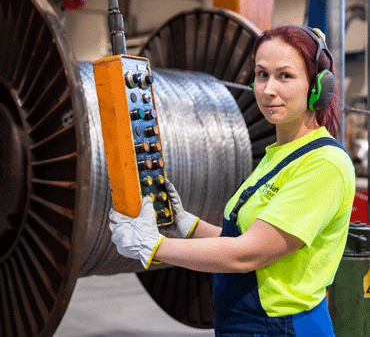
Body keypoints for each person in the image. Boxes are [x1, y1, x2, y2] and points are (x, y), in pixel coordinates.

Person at [108, 25, 356, 337]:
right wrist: (190, 226)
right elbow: (250, 235)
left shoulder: (324, 164)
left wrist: (152, 246)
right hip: (247, 326)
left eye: (285, 76)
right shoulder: (277, 155)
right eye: (262, 74)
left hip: (282, 328)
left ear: (319, 86)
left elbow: (246, 254)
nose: (267, 90)